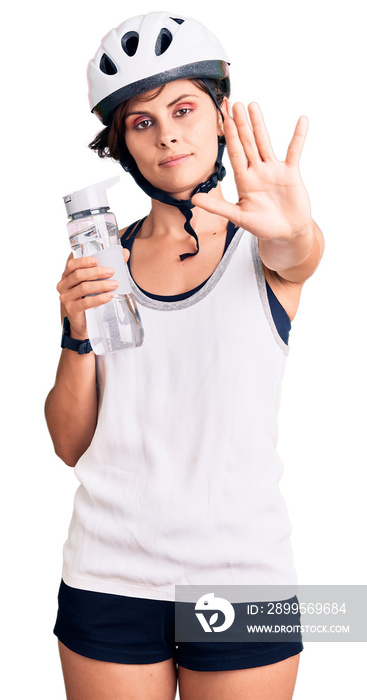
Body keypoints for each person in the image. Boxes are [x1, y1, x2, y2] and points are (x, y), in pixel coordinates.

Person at [45, 11, 324, 700]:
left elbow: (299, 250)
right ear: (122, 148)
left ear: (221, 117)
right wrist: (75, 332)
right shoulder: (99, 264)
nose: (167, 132)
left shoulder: (265, 249)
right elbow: (67, 443)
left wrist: (295, 228)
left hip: (243, 579)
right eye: (142, 122)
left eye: (183, 108)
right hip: (106, 576)